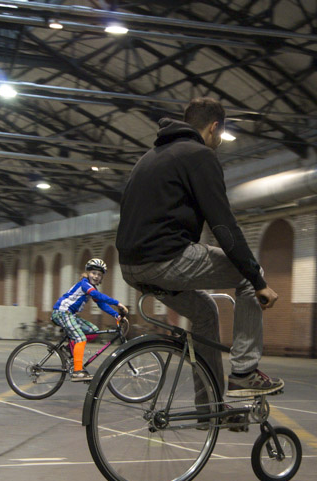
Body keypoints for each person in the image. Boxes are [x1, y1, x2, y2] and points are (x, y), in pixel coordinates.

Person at [117, 96, 282, 400]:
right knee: (249, 274)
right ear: (214, 127)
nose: (219, 140)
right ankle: (244, 373)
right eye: (220, 134)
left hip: (131, 266)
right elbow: (223, 227)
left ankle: (208, 408)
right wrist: (258, 281)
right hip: (166, 259)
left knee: (206, 312)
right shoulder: (199, 156)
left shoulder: (149, 158)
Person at [51, 258, 128, 381]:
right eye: (93, 273)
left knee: (93, 330)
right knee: (80, 338)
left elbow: (101, 304)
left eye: (99, 274)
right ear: (87, 273)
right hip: (62, 313)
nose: (96, 276)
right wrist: (117, 303)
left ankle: (67, 350)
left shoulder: (91, 288)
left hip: (70, 315)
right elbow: (98, 296)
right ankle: (77, 372)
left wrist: (116, 315)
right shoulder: (84, 284)